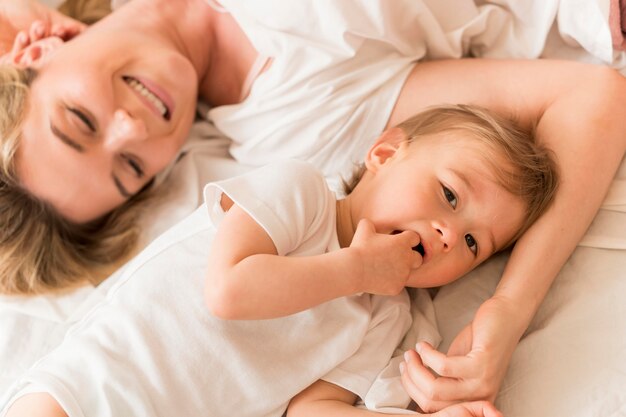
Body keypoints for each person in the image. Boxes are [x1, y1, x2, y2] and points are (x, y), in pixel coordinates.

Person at [0, 0, 624, 410]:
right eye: (132, 170)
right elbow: (592, 97)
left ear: (35, 51)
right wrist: (507, 312)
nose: (132, 131)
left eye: (78, 120)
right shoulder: (302, 132)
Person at [1, 104, 557, 417]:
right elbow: (229, 291)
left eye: (472, 245)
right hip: (92, 390)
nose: (446, 232)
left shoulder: (386, 317)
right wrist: (357, 269)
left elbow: (311, 414)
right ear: (385, 154)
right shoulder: (302, 195)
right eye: (449, 196)